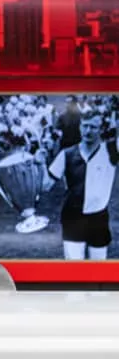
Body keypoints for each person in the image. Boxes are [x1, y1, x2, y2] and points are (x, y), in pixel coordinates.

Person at [37, 109, 118, 260]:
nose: (88, 131)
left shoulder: (111, 151)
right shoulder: (66, 154)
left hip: (98, 218)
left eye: (93, 127)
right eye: (85, 126)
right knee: (74, 268)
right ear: (80, 127)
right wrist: (40, 164)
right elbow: (45, 186)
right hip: (72, 217)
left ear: (101, 129)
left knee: (98, 268)